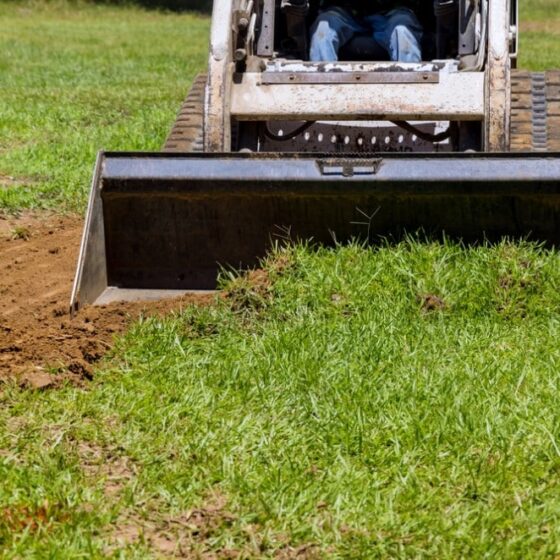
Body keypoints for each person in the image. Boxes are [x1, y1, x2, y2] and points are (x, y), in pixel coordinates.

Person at [309, 0, 423, 62]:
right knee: (323, 29)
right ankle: (323, 89)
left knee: (403, 32)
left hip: (392, 13)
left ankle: (410, 91)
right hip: (345, 12)